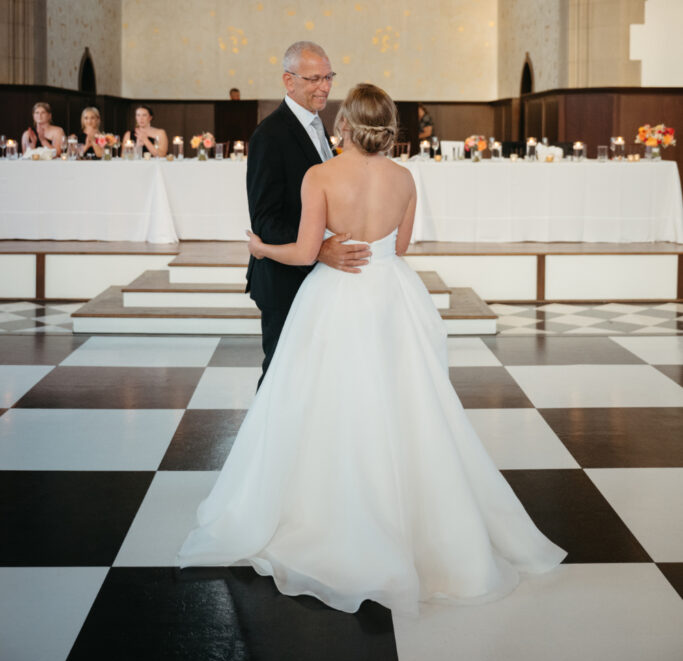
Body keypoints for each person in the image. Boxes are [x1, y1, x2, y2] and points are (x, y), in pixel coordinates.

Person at [178, 83, 565, 615]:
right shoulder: (405, 178)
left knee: (324, 400)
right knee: (407, 403)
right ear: (389, 128)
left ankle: (328, 513)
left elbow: (304, 252)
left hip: (336, 296)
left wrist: (261, 246)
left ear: (344, 126)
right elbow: (401, 248)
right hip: (391, 294)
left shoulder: (320, 176)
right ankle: (418, 523)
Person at [245, 40, 370, 380]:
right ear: (289, 81)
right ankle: (270, 435)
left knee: (312, 378)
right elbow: (266, 221)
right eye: (314, 78)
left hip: (316, 279)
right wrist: (319, 250)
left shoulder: (317, 127)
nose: (325, 86)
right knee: (281, 376)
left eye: (328, 76)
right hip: (284, 280)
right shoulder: (268, 136)